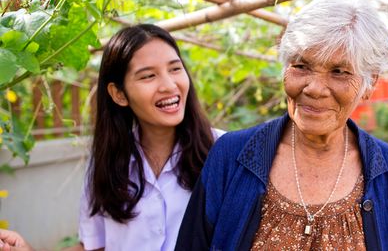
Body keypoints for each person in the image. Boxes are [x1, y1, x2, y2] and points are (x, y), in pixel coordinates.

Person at [175, 0, 388, 251]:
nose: (314, 88)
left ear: (369, 84)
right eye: (301, 66)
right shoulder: (231, 155)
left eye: (339, 72)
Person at [0, 24, 222, 251]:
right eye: (148, 76)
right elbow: (94, 246)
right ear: (119, 94)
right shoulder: (108, 161)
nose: (169, 85)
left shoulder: (225, 152)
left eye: (175, 69)